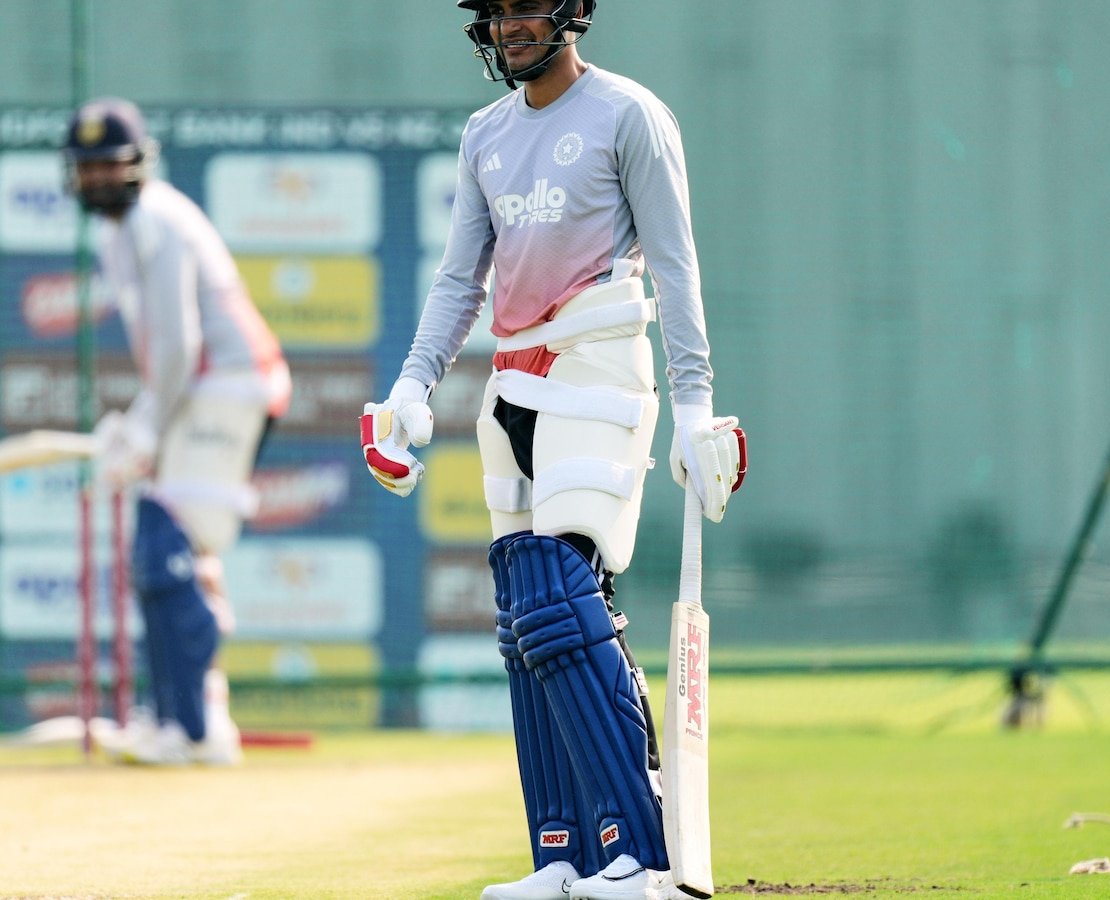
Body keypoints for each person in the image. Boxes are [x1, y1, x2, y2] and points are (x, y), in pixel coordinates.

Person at [359, 2, 748, 898]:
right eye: (497, 14)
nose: (511, 28)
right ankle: (564, 858)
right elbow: (462, 277)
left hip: (600, 363)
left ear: (572, 10)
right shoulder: (485, 134)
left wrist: (696, 404)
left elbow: (678, 263)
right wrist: (413, 387)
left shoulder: (628, 114)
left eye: (528, 8)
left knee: (564, 598)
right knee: (524, 621)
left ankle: (640, 855)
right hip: (513, 379)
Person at [63, 96, 291, 766]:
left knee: (169, 544)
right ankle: (191, 718)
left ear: (139, 163)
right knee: (175, 554)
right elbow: (166, 353)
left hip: (231, 382)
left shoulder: (157, 219)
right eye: (88, 168)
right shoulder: (118, 231)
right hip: (200, 390)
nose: (100, 179)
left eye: (112, 165)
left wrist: (142, 428)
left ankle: (188, 729)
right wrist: (143, 422)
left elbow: (179, 345)